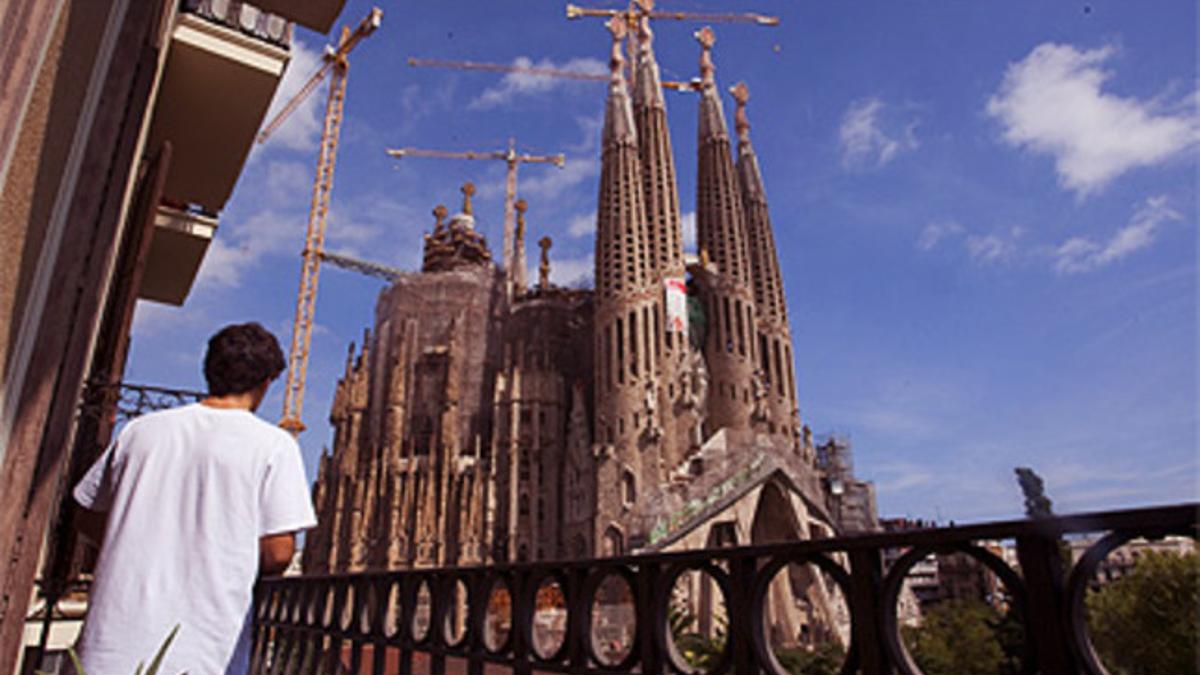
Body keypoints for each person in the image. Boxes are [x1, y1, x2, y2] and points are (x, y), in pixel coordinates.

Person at [72, 322, 317, 674]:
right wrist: (219, 552)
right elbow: (279, 552)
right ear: (267, 382)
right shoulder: (273, 445)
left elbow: (87, 513)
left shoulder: (140, 430)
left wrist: (137, 543)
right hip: (201, 648)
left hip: (109, 643)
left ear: (209, 371)